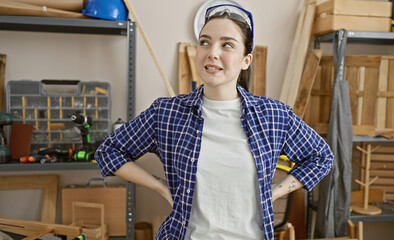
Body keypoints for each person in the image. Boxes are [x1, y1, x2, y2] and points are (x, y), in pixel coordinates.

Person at [95, 4, 333, 240]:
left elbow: (321, 157)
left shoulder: (273, 115)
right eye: (205, 42)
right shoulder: (167, 113)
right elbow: (109, 151)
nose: (212, 52)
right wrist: (161, 186)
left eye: (227, 44)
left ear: (246, 60)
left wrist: (272, 193)